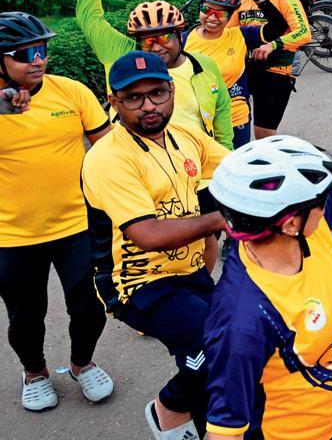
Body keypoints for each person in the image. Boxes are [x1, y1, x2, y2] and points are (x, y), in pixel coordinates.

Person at [203, 91, 332, 439]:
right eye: (319, 202)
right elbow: (226, 430)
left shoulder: (310, 227)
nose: (325, 204)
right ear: (289, 222)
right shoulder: (243, 317)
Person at [81, 52, 231, 440]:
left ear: (171, 91)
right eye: (134, 97)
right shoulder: (107, 158)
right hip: (138, 284)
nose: (149, 105)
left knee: (228, 343)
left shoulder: (185, 136)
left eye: (158, 93)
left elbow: (236, 167)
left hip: (190, 272)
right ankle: (171, 407)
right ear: (113, 101)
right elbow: (146, 234)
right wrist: (220, 221)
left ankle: (203, 414)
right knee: (215, 349)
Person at [0, 13, 114, 412]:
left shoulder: (71, 92)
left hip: (77, 225)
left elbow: (108, 150)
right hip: (11, 236)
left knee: (90, 305)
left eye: (42, 50)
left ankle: (82, 364)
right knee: (25, 317)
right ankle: (34, 373)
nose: (37, 59)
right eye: (24, 54)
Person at [76, 0, 234, 148]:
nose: (156, 47)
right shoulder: (121, 55)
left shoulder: (203, 65)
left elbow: (221, 111)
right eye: (148, 40)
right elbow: (89, 19)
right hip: (137, 165)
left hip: (196, 165)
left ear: (179, 34)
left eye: (165, 37)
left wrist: (224, 156)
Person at [183, 0, 289, 149]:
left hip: (235, 119)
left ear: (231, 14)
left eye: (221, 13)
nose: (212, 18)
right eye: (206, 10)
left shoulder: (240, 36)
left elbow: (280, 26)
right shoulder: (184, 40)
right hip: (196, 121)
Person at [228, 0, 312, 140]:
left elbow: (303, 32)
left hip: (276, 71)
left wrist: (272, 45)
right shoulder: (242, 1)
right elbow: (229, 32)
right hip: (246, 70)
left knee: (263, 134)